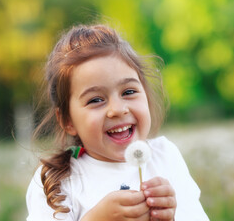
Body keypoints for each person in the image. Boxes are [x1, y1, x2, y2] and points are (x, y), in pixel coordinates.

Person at [26, 24, 210, 221]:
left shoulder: (165, 157)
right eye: (96, 100)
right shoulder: (57, 182)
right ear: (67, 120)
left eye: (128, 92)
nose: (118, 109)